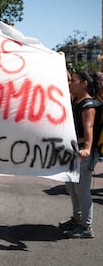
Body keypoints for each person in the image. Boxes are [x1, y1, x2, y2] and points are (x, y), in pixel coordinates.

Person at [59, 70, 100, 238]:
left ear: (84, 84)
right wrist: (61, 60)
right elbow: (65, 78)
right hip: (76, 150)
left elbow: (88, 129)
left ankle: (86, 227)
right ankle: (77, 219)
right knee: (71, 186)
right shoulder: (76, 99)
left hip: (84, 152)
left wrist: (88, 149)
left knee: (82, 189)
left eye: (73, 81)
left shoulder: (88, 105)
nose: (70, 84)